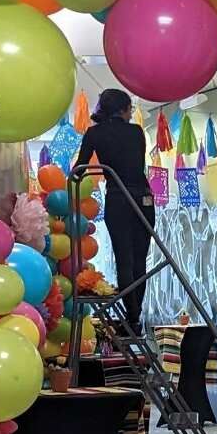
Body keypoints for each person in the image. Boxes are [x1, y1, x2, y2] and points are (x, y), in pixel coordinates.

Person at [75, 89, 153, 334]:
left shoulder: (94, 133)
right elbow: (135, 163)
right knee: (140, 260)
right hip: (143, 197)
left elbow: (79, 169)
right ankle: (136, 317)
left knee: (124, 259)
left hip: (118, 198)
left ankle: (131, 319)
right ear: (122, 109)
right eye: (130, 109)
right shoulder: (136, 132)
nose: (131, 114)